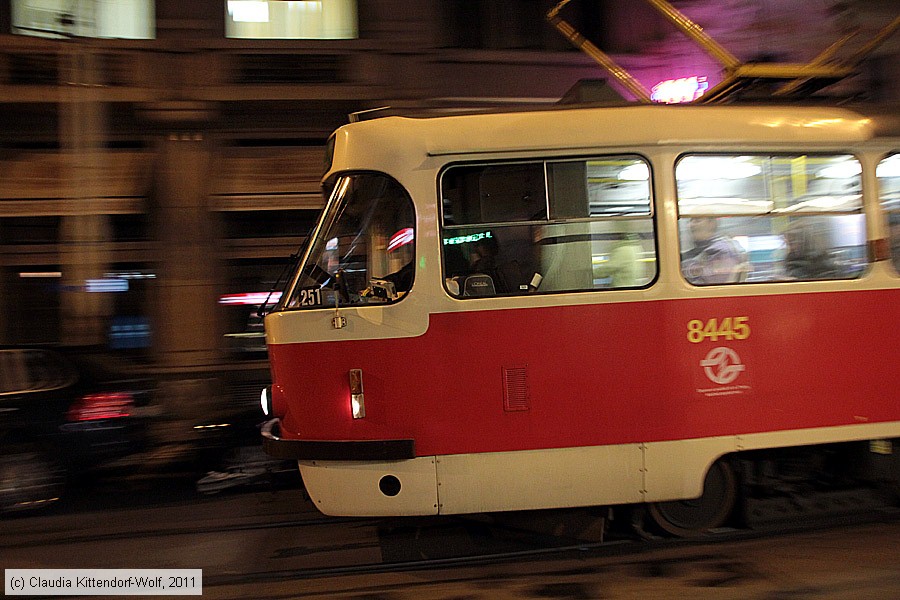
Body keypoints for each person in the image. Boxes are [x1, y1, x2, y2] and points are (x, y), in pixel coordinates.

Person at [681, 217, 748, 284]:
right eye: (690, 221)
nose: (690, 225)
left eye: (697, 220)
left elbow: (712, 287)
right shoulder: (697, 251)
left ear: (711, 223)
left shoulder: (721, 251)